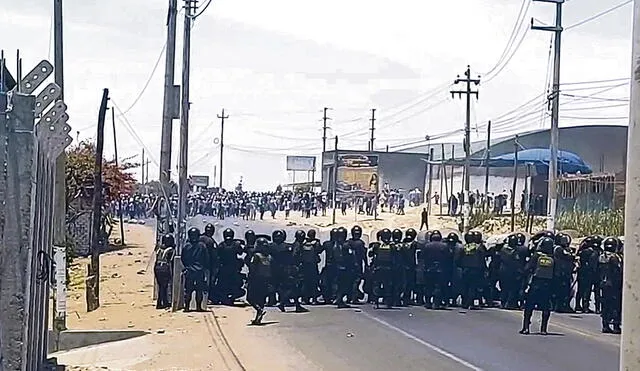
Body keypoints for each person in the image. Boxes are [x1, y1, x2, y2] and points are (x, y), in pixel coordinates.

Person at [520, 236, 556, 335]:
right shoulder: (553, 258)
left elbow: (527, 268)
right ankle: (543, 329)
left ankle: (526, 327)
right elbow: (556, 273)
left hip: (536, 283)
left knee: (529, 306)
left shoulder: (536, 256)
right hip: (548, 285)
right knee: (546, 307)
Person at [247, 237, 272, 325]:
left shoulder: (256, 256)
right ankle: (258, 318)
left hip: (256, 280)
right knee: (261, 299)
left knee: (250, 298)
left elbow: (252, 269)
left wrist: (248, 280)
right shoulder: (269, 257)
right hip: (266, 280)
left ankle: (259, 310)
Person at [182, 227, 208, 312]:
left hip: (189, 271)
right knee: (199, 290)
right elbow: (206, 258)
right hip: (199, 271)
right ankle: (198, 307)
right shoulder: (202, 246)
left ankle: (187, 307)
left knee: (188, 290)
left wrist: (187, 266)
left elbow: (183, 258)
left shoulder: (186, 246)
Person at [154, 234, 175, 309]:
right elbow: (171, 260)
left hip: (157, 267)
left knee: (161, 286)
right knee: (164, 286)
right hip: (164, 268)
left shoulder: (159, 248)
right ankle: (163, 303)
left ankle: (161, 302)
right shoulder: (170, 250)